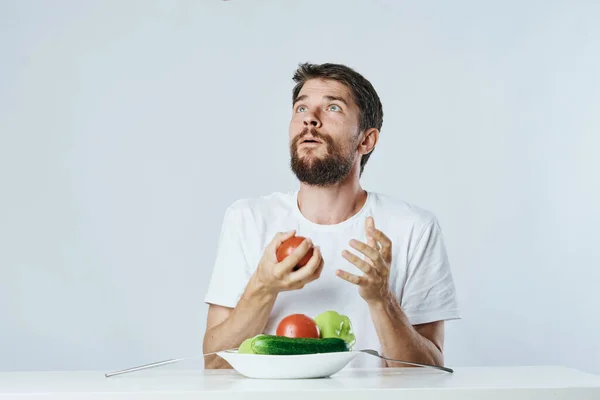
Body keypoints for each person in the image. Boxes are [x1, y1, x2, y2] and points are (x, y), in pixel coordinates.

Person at [202, 62, 460, 369]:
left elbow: (429, 372)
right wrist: (263, 286)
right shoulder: (247, 219)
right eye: (301, 109)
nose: (310, 119)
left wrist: (381, 300)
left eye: (333, 108)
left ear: (366, 140)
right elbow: (214, 365)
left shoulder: (413, 228)